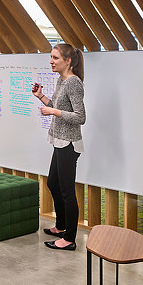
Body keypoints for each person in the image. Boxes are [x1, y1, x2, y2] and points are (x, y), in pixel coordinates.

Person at [32, 43, 86, 251]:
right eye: (51, 58)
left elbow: (81, 117)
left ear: (68, 61)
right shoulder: (60, 81)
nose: (51, 61)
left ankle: (69, 238)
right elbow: (57, 106)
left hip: (69, 143)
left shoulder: (73, 83)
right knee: (53, 184)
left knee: (66, 191)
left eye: (55, 58)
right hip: (58, 140)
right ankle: (61, 225)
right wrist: (40, 96)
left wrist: (54, 113)